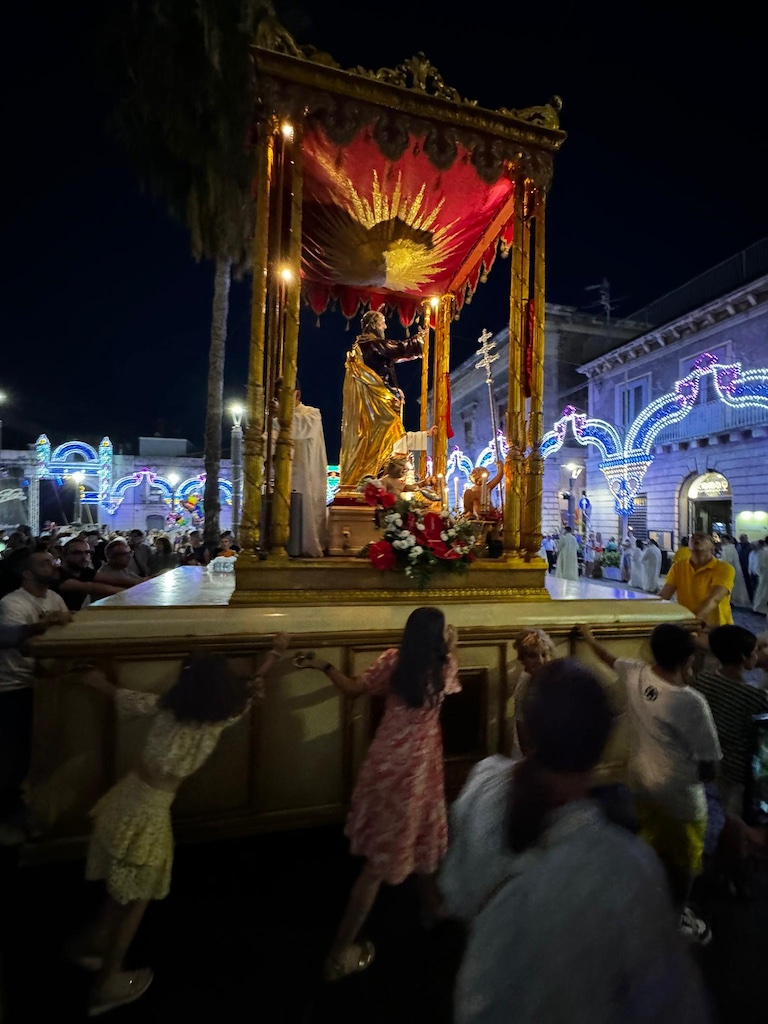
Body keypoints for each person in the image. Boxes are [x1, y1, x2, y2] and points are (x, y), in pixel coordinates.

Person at [442, 659, 711, 1024]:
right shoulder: (625, 869)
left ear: (530, 730)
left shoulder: (481, 783)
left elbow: (457, 892)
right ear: (603, 743)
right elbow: (671, 1004)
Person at [67, 636, 289, 1015]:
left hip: (125, 798)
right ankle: (107, 983)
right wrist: (275, 655)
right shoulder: (222, 717)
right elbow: (249, 688)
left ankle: (88, 947)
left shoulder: (165, 707)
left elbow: (122, 695)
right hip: (149, 814)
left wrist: (93, 680)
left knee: (122, 892)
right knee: (135, 899)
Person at [294, 606, 460, 980]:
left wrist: (323, 666)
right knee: (379, 865)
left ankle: (431, 905)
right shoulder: (444, 666)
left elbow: (354, 689)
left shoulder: (393, 661)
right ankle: (338, 953)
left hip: (386, 761)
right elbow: (450, 678)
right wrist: (452, 646)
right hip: (417, 769)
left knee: (417, 835)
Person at [579, 623, 721, 944]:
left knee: (649, 847)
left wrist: (588, 636)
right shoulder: (691, 702)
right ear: (688, 660)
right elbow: (710, 763)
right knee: (684, 864)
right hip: (680, 798)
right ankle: (675, 916)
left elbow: (607, 657)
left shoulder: (636, 674)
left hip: (640, 782)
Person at [0, 549, 72, 841]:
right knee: (15, 756)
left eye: (53, 560)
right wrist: (43, 626)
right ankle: (8, 816)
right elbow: (11, 640)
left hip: (46, 684)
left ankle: (34, 811)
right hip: (15, 687)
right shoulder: (12, 602)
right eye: (45, 562)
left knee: (41, 751)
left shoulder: (54, 598)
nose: (53, 565)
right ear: (27, 573)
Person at [339, 309, 427, 489]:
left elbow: (375, 377)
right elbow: (398, 349)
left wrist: (391, 389)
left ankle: (380, 478)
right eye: (382, 322)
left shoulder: (362, 347)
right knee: (393, 433)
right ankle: (384, 479)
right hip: (377, 405)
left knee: (380, 441)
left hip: (376, 401)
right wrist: (419, 340)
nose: (385, 326)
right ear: (372, 325)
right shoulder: (371, 344)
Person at [659, 531, 735, 627]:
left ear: (712, 546)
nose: (697, 538)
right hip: (688, 624)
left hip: (717, 627)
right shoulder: (678, 567)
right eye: (693, 537)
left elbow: (714, 599)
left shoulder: (724, 568)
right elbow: (664, 595)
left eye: (702, 537)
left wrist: (692, 622)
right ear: (689, 546)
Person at [290, 383, 330, 557]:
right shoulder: (276, 419)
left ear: (297, 394)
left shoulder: (312, 414)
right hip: (286, 474)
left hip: (307, 473)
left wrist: (281, 417)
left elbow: (298, 428)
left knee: (308, 510)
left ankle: (307, 548)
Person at [505, 628, 556, 758]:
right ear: (522, 659)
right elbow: (521, 726)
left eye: (544, 655)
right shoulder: (525, 685)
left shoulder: (550, 677)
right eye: (533, 656)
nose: (540, 660)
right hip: (531, 749)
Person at [55, 537, 122, 610]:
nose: (84, 557)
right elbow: (90, 587)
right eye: (77, 553)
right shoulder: (57, 575)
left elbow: (114, 580)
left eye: (87, 553)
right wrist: (129, 593)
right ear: (63, 555)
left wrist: (135, 583)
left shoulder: (83, 571)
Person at [719, 535, 751, 608]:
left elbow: (728, 560)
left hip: (729, 570)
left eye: (724, 540)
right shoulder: (727, 548)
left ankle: (731, 600)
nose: (722, 541)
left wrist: (719, 561)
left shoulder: (729, 548)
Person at [737, 534, 755, 603]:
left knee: (748, 583)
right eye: (741, 538)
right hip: (742, 566)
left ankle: (750, 597)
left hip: (747, 567)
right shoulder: (740, 546)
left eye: (742, 538)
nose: (741, 539)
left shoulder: (749, 546)